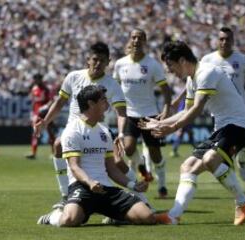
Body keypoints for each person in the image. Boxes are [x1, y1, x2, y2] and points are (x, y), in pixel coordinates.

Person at [140, 40, 245, 225]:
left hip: (238, 128)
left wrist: (172, 128)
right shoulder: (192, 79)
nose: (169, 70)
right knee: (188, 167)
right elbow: (186, 110)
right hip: (222, 130)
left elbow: (197, 109)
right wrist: (158, 122)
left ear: (183, 60)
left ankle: (242, 202)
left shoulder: (206, 72)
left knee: (210, 160)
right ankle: (173, 216)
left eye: (170, 65)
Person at [34, 42, 144, 209]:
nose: (98, 63)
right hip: (74, 131)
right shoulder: (73, 77)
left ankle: (138, 189)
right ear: (88, 60)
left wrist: (121, 133)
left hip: (99, 130)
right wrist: (46, 121)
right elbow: (60, 102)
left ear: (108, 62)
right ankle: (65, 195)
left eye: (102, 60)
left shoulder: (112, 84)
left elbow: (121, 112)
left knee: (116, 162)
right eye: (95, 59)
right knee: (57, 145)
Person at [37, 85, 156, 227]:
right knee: (68, 221)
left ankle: (115, 215)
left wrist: (133, 185)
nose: (107, 104)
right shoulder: (72, 130)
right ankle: (53, 217)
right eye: (103, 100)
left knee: (147, 217)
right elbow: (74, 167)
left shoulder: (104, 131)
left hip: (105, 189)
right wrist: (90, 182)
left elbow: (111, 168)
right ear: (91, 104)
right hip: (82, 187)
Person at [113, 28, 172, 198]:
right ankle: (141, 168)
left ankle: (162, 185)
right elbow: (115, 88)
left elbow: (165, 89)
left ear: (145, 41)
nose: (136, 40)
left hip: (149, 115)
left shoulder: (152, 64)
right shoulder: (120, 64)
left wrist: (166, 108)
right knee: (129, 149)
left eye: (140, 38)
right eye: (134, 37)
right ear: (130, 40)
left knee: (155, 154)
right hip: (129, 115)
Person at [200, 27, 245, 181]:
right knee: (224, 153)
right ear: (217, 41)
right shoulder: (207, 60)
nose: (224, 42)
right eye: (221, 39)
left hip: (239, 110)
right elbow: (194, 81)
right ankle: (236, 190)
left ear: (233, 41)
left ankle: (241, 160)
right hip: (219, 113)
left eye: (228, 39)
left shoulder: (242, 59)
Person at [25, 73, 56, 159]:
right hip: (36, 114)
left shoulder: (46, 89)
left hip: (46, 113)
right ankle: (33, 152)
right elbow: (33, 101)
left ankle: (54, 152)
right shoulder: (34, 89)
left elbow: (51, 100)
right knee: (35, 133)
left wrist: (46, 106)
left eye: (38, 79)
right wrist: (32, 112)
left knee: (50, 133)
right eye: (35, 79)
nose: (36, 80)